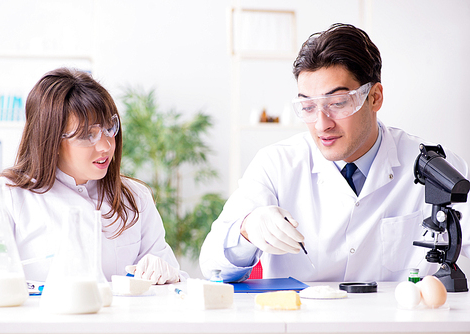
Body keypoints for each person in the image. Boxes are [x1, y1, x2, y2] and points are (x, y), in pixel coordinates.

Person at [199, 23, 470, 283]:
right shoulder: (277, 164)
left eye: (338, 103)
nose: (322, 124)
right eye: (307, 107)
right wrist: (247, 229)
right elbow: (213, 266)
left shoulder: (433, 166)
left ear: (374, 97)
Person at [0, 67, 186, 284]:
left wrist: (169, 274)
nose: (105, 146)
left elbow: (171, 282)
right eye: (86, 135)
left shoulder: (135, 197)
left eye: (109, 128)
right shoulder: (9, 195)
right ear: (51, 141)